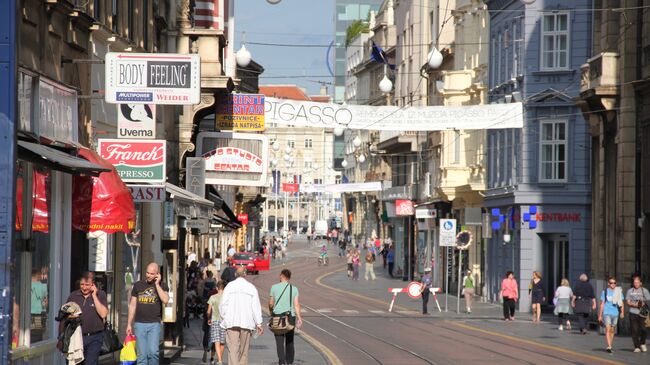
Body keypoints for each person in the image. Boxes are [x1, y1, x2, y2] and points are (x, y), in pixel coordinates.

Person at [126, 262, 170, 365]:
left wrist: (157, 284)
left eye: (151, 273)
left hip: (154, 323)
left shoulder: (162, 285)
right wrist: (129, 324)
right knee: (142, 355)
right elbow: (132, 305)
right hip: (139, 323)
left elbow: (165, 300)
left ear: (157, 274)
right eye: (147, 273)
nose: (149, 275)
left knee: (153, 352)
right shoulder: (138, 285)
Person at [219, 267, 264, 365]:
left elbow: (222, 305)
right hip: (246, 323)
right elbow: (255, 306)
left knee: (233, 349)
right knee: (244, 351)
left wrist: (225, 317)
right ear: (245, 274)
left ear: (236, 274)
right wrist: (259, 323)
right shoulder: (251, 287)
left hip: (231, 322)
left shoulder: (229, 286)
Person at [65, 272, 108, 365]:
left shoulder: (101, 294)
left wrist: (94, 296)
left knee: (91, 362)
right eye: (82, 284)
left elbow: (103, 314)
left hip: (95, 337)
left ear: (93, 284)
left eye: (87, 285)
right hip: (76, 336)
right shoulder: (73, 296)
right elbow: (64, 316)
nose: (84, 287)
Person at [269, 269, 304, 365]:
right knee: (290, 340)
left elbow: (271, 303)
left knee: (279, 340)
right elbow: (296, 305)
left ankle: (281, 362)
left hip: (278, 317)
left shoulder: (274, 287)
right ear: (289, 278)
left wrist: (271, 310)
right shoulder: (294, 289)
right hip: (290, 317)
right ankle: (289, 361)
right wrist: (299, 318)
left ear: (281, 276)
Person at [598, 276, 625, 353]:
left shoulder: (619, 291)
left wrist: (622, 312)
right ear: (608, 284)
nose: (613, 284)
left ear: (616, 284)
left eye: (614, 283)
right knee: (608, 328)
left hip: (615, 313)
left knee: (612, 330)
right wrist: (600, 315)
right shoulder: (605, 291)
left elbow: (621, 303)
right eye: (611, 283)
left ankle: (610, 344)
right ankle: (609, 346)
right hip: (607, 312)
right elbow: (602, 304)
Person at [626, 275, 649, 353]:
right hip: (633, 312)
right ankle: (637, 347)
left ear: (640, 283)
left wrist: (643, 303)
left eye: (637, 282)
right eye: (634, 282)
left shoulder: (644, 291)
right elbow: (628, 302)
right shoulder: (630, 291)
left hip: (642, 313)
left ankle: (642, 343)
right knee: (634, 330)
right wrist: (635, 305)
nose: (636, 284)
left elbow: (648, 301)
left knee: (644, 329)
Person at [207, 281, 227, 365]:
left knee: (216, 341)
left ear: (216, 288)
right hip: (224, 321)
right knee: (222, 342)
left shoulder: (212, 297)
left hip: (215, 321)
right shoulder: (227, 298)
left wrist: (208, 318)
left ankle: (219, 360)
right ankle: (219, 360)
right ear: (224, 288)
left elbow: (208, 311)